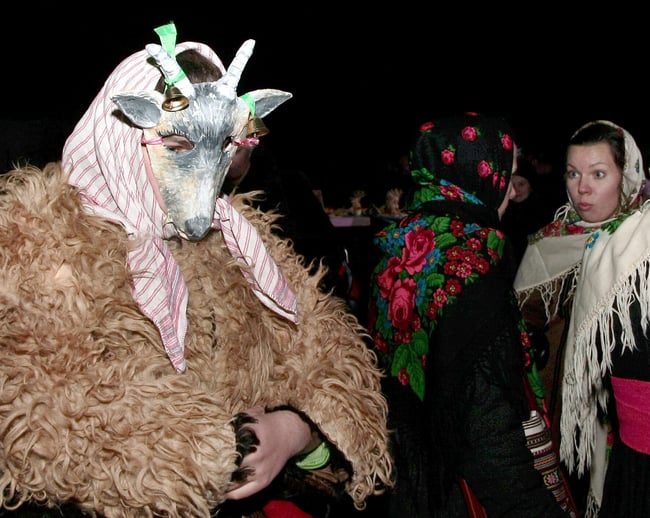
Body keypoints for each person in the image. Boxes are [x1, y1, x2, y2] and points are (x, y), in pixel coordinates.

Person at [0, 24, 392, 518]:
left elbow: (325, 349)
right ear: (125, 129)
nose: (207, 182)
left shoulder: (241, 241)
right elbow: (37, 407)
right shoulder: (33, 244)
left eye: (223, 146)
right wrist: (211, 449)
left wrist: (293, 431)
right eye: (179, 147)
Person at [367, 112, 574, 517]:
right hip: (457, 494)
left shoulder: (399, 244)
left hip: (402, 480)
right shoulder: (473, 266)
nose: (512, 193)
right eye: (507, 175)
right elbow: (489, 437)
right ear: (480, 175)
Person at [514, 120, 650, 517]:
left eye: (599, 174)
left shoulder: (639, 245)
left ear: (627, 177)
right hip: (568, 416)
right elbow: (522, 325)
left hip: (627, 422)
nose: (583, 188)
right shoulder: (553, 240)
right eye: (574, 174)